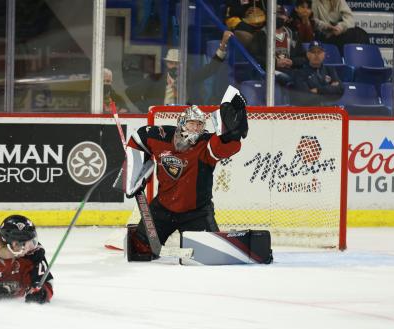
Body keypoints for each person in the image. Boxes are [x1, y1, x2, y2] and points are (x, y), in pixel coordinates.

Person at [122, 90, 249, 260]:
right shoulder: (162, 136)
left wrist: (232, 133)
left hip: (196, 213)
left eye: (200, 124)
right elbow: (139, 138)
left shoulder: (205, 143)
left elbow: (225, 146)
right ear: (181, 123)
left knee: (206, 257)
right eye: (192, 123)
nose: (196, 128)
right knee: (139, 250)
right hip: (162, 209)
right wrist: (135, 171)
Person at [125, 30, 234, 112]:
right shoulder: (156, 78)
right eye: (171, 63)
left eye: (177, 63)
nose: (174, 66)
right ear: (166, 64)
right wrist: (147, 108)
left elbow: (211, 68)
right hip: (161, 118)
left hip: (183, 118)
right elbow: (130, 92)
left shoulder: (188, 77)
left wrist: (223, 44)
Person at [249, 5, 307, 85]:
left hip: (291, 70)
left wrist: (292, 62)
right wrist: (275, 62)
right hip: (269, 71)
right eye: (274, 14)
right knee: (287, 79)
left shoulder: (293, 35)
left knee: (304, 79)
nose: (277, 17)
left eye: (280, 14)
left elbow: (303, 57)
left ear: (286, 17)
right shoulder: (260, 35)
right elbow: (255, 57)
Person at [291, 41, 344, 106]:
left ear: (324, 55)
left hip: (329, 110)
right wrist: (330, 89)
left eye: (319, 52)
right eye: (313, 52)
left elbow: (340, 89)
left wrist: (318, 90)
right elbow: (305, 96)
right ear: (308, 55)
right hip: (311, 111)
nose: (316, 55)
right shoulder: (300, 73)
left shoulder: (330, 70)